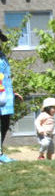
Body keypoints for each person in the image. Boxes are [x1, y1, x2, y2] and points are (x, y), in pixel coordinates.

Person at [0, 29, 16, 163]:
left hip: (5, 97)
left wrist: (12, 92)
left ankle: (0, 153)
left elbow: (5, 77)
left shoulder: (2, 56)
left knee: (5, 124)